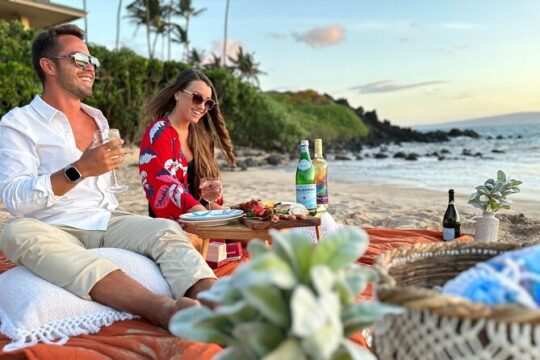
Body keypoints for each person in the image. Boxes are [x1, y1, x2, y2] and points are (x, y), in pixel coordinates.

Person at [0, 24, 216, 330]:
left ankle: (218, 304)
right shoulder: (18, 123)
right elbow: (14, 198)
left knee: (164, 229)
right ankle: (161, 309)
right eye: (79, 60)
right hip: (53, 226)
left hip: (105, 219)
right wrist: (80, 170)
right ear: (48, 66)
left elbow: (106, 189)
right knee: (14, 233)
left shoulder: (97, 117)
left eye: (93, 62)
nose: (90, 67)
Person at [139, 69, 235, 220]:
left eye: (207, 103)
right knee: (225, 242)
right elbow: (163, 185)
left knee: (255, 235)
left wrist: (215, 198)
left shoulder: (202, 136)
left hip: (200, 217)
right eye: (197, 98)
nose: (202, 107)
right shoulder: (158, 133)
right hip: (171, 224)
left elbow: (207, 200)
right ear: (177, 94)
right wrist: (206, 218)